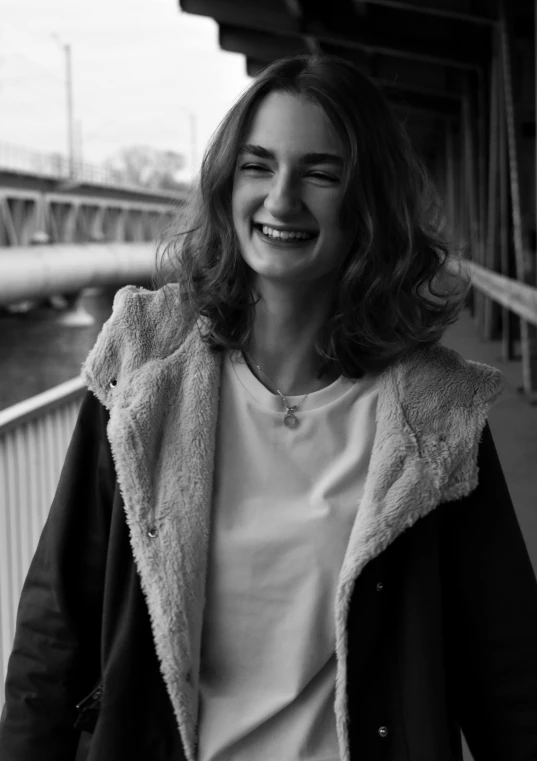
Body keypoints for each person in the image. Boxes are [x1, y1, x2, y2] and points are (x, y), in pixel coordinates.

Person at [1, 53, 537, 761]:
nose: (281, 199)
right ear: (227, 184)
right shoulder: (143, 367)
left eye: (320, 172)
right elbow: (55, 630)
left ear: (368, 200)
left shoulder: (436, 414)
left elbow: (509, 675)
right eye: (258, 166)